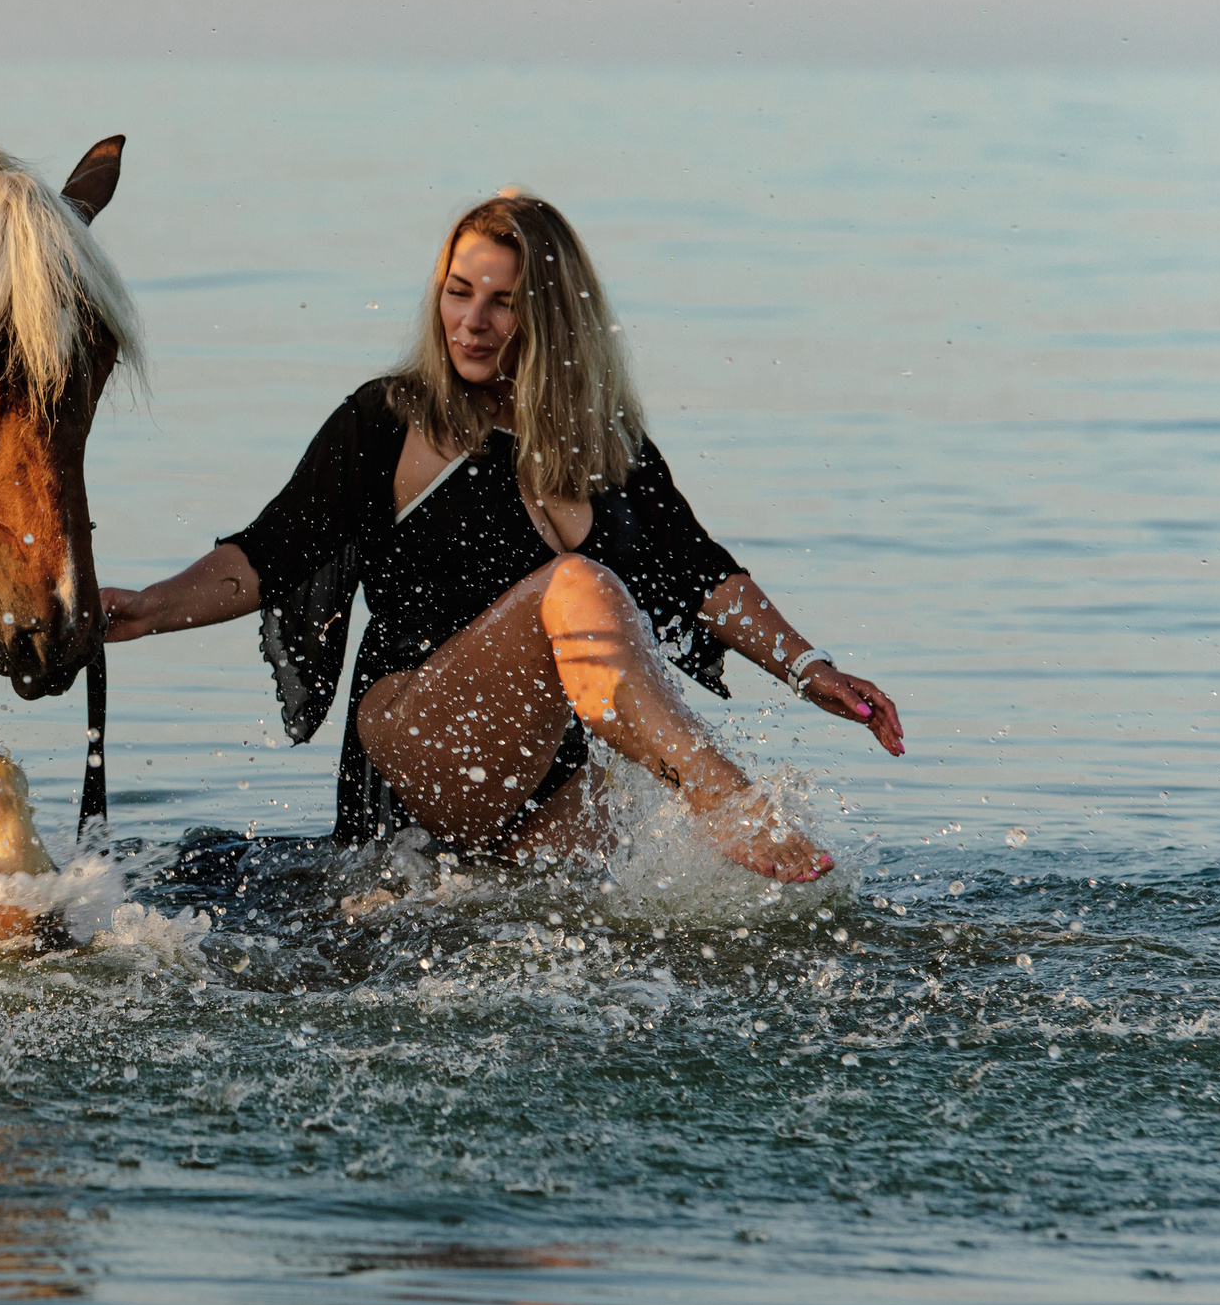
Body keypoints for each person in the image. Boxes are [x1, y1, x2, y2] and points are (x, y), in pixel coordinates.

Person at [99, 191, 904, 883]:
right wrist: (146, 608)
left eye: (502, 301)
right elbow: (268, 554)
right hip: (414, 740)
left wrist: (809, 668)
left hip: (539, 777)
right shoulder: (392, 419)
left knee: (674, 914)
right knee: (579, 587)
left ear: (550, 314)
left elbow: (699, 574)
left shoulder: (610, 443)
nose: (471, 322)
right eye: (457, 293)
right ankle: (730, 800)